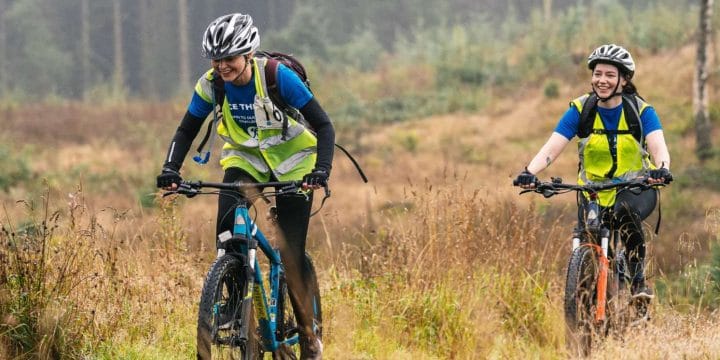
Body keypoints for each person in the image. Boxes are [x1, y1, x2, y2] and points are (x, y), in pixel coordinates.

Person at [156, 13, 332, 359]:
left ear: (248, 54)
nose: (222, 66)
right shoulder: (211, 84)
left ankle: (309, 336)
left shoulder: (277, 78)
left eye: (230, 59)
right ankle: (235, 303)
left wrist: (320, 171)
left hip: (294, 162)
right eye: (216, 59)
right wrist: (170, 168)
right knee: (227, 230)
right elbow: (187, 128)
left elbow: (325, 126)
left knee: (290, 250)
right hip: (246, 159)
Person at [514, 44, 672, 301]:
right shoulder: (581, 110)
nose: (602, 80)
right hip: (592, 192)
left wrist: (662, 169)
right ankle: (589, 310)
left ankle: (638, 283)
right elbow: (553, 146)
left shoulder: (641, 111)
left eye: (610, 75)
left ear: (624, 79)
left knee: (625, 213)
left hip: (635, 189)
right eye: (598, 74)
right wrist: (529, 172)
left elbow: (658, 146)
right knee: (589, 240)